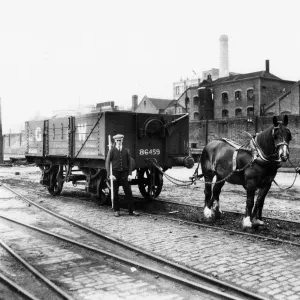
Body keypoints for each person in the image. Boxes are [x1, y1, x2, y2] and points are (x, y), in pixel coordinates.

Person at [105, 134, 139, 217]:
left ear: (122, 141)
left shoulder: (126, 151)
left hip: (124, 174)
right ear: (115, 141)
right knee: (115, 192)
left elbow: (129, 163)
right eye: (117, 141)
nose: (119, 142)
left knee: (129, 192)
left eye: (120, 141)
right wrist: (110, 174)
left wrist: (130, 174)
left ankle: (132, 210)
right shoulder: (112, 151)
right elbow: (107, 163)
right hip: (115, 174)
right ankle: (116, 210)